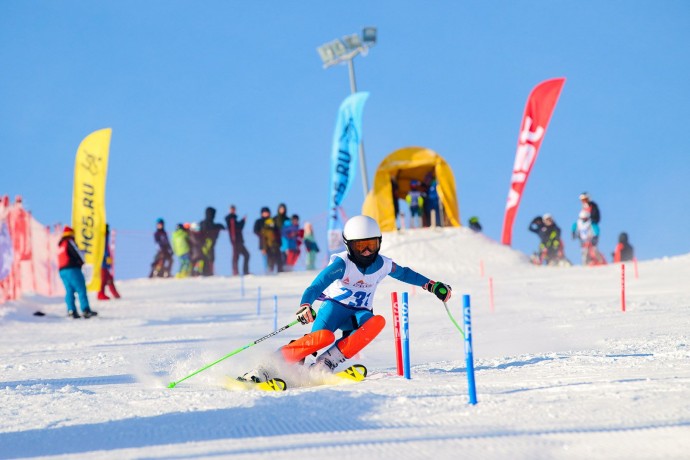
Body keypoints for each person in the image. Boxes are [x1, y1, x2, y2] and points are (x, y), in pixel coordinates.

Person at [240, 215, 452, 382]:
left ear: (379, 242)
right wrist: (305, 305)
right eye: (361, 246)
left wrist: (431, 285)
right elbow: (316, 286)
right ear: (349, 245)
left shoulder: (383, 264)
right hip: (334, 308)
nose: (367, 251)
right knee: (320, 339)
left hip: (359, 313)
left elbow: (405, 273)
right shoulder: (342, 264)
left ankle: (326, 363)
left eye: (371, 244)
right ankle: (269, 366)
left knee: (376, 322)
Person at [57, 226, 97, 318]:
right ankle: (85, 309)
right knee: (81, 289)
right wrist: (82, 261)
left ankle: (71, 310)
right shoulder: (69, 242)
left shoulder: (61, 244)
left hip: (62, 271)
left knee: (69, 290)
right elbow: (77, 253)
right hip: (73, 269)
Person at [254, 207, 282, 274]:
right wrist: (263, 235)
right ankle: (267, 271)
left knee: (274, 257)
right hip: (263, 243)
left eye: (267, 212)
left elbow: (276, 231)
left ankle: (275, 270)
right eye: (264, 212)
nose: (266, 213)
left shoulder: (272, 221)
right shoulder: (259, 221)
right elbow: (255, 231)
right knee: (266, 258)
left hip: (273, 243)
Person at [224, 205, 250, 276]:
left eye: (234, 209)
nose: (233, 211)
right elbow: (237, 227)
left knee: (246, 255)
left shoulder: (234, 219)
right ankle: (235, 271)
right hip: (235, 241)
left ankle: (245, 271)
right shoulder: (230, 219)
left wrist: (243, 221)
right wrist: (243, 221)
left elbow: (239, 227)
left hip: (239, 241)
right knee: (236, 256)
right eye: (231, 209)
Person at [199, 207, 225, 276]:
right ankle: (203, 272)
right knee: (205, 258)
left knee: (210, 258)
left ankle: (209, 272)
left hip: (210, 245)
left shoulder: (209, 224)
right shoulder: (204, 223)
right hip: (205, 245)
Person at [98, 224, 121, 300]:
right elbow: (102, 249)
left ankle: (115, 294)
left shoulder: (105, 237)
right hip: (102, 261)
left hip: (105, 260)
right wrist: (106, 257)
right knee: (104, 279)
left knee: (109, 278)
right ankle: (101, 294)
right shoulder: (101, 237)